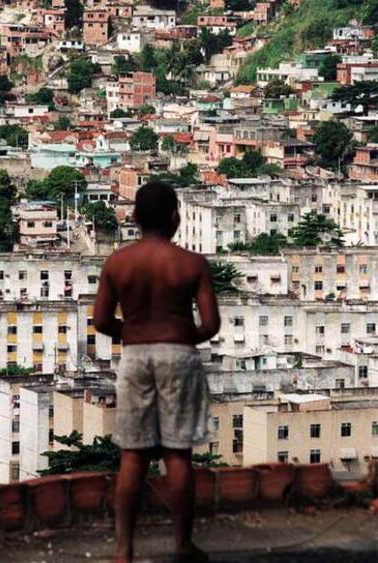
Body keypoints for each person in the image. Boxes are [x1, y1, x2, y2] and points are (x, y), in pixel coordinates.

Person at [94, 181, 221, 563]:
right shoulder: (192, 263)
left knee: (133, 456)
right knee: (177, 455)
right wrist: (183, 335)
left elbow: (101, 320)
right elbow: (211, 323)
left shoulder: (117, 262)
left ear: (134, 218)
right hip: (179, 354)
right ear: (175, 218)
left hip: (135, 355)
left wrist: (132, 330)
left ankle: (123, 550)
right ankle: (182, 544)